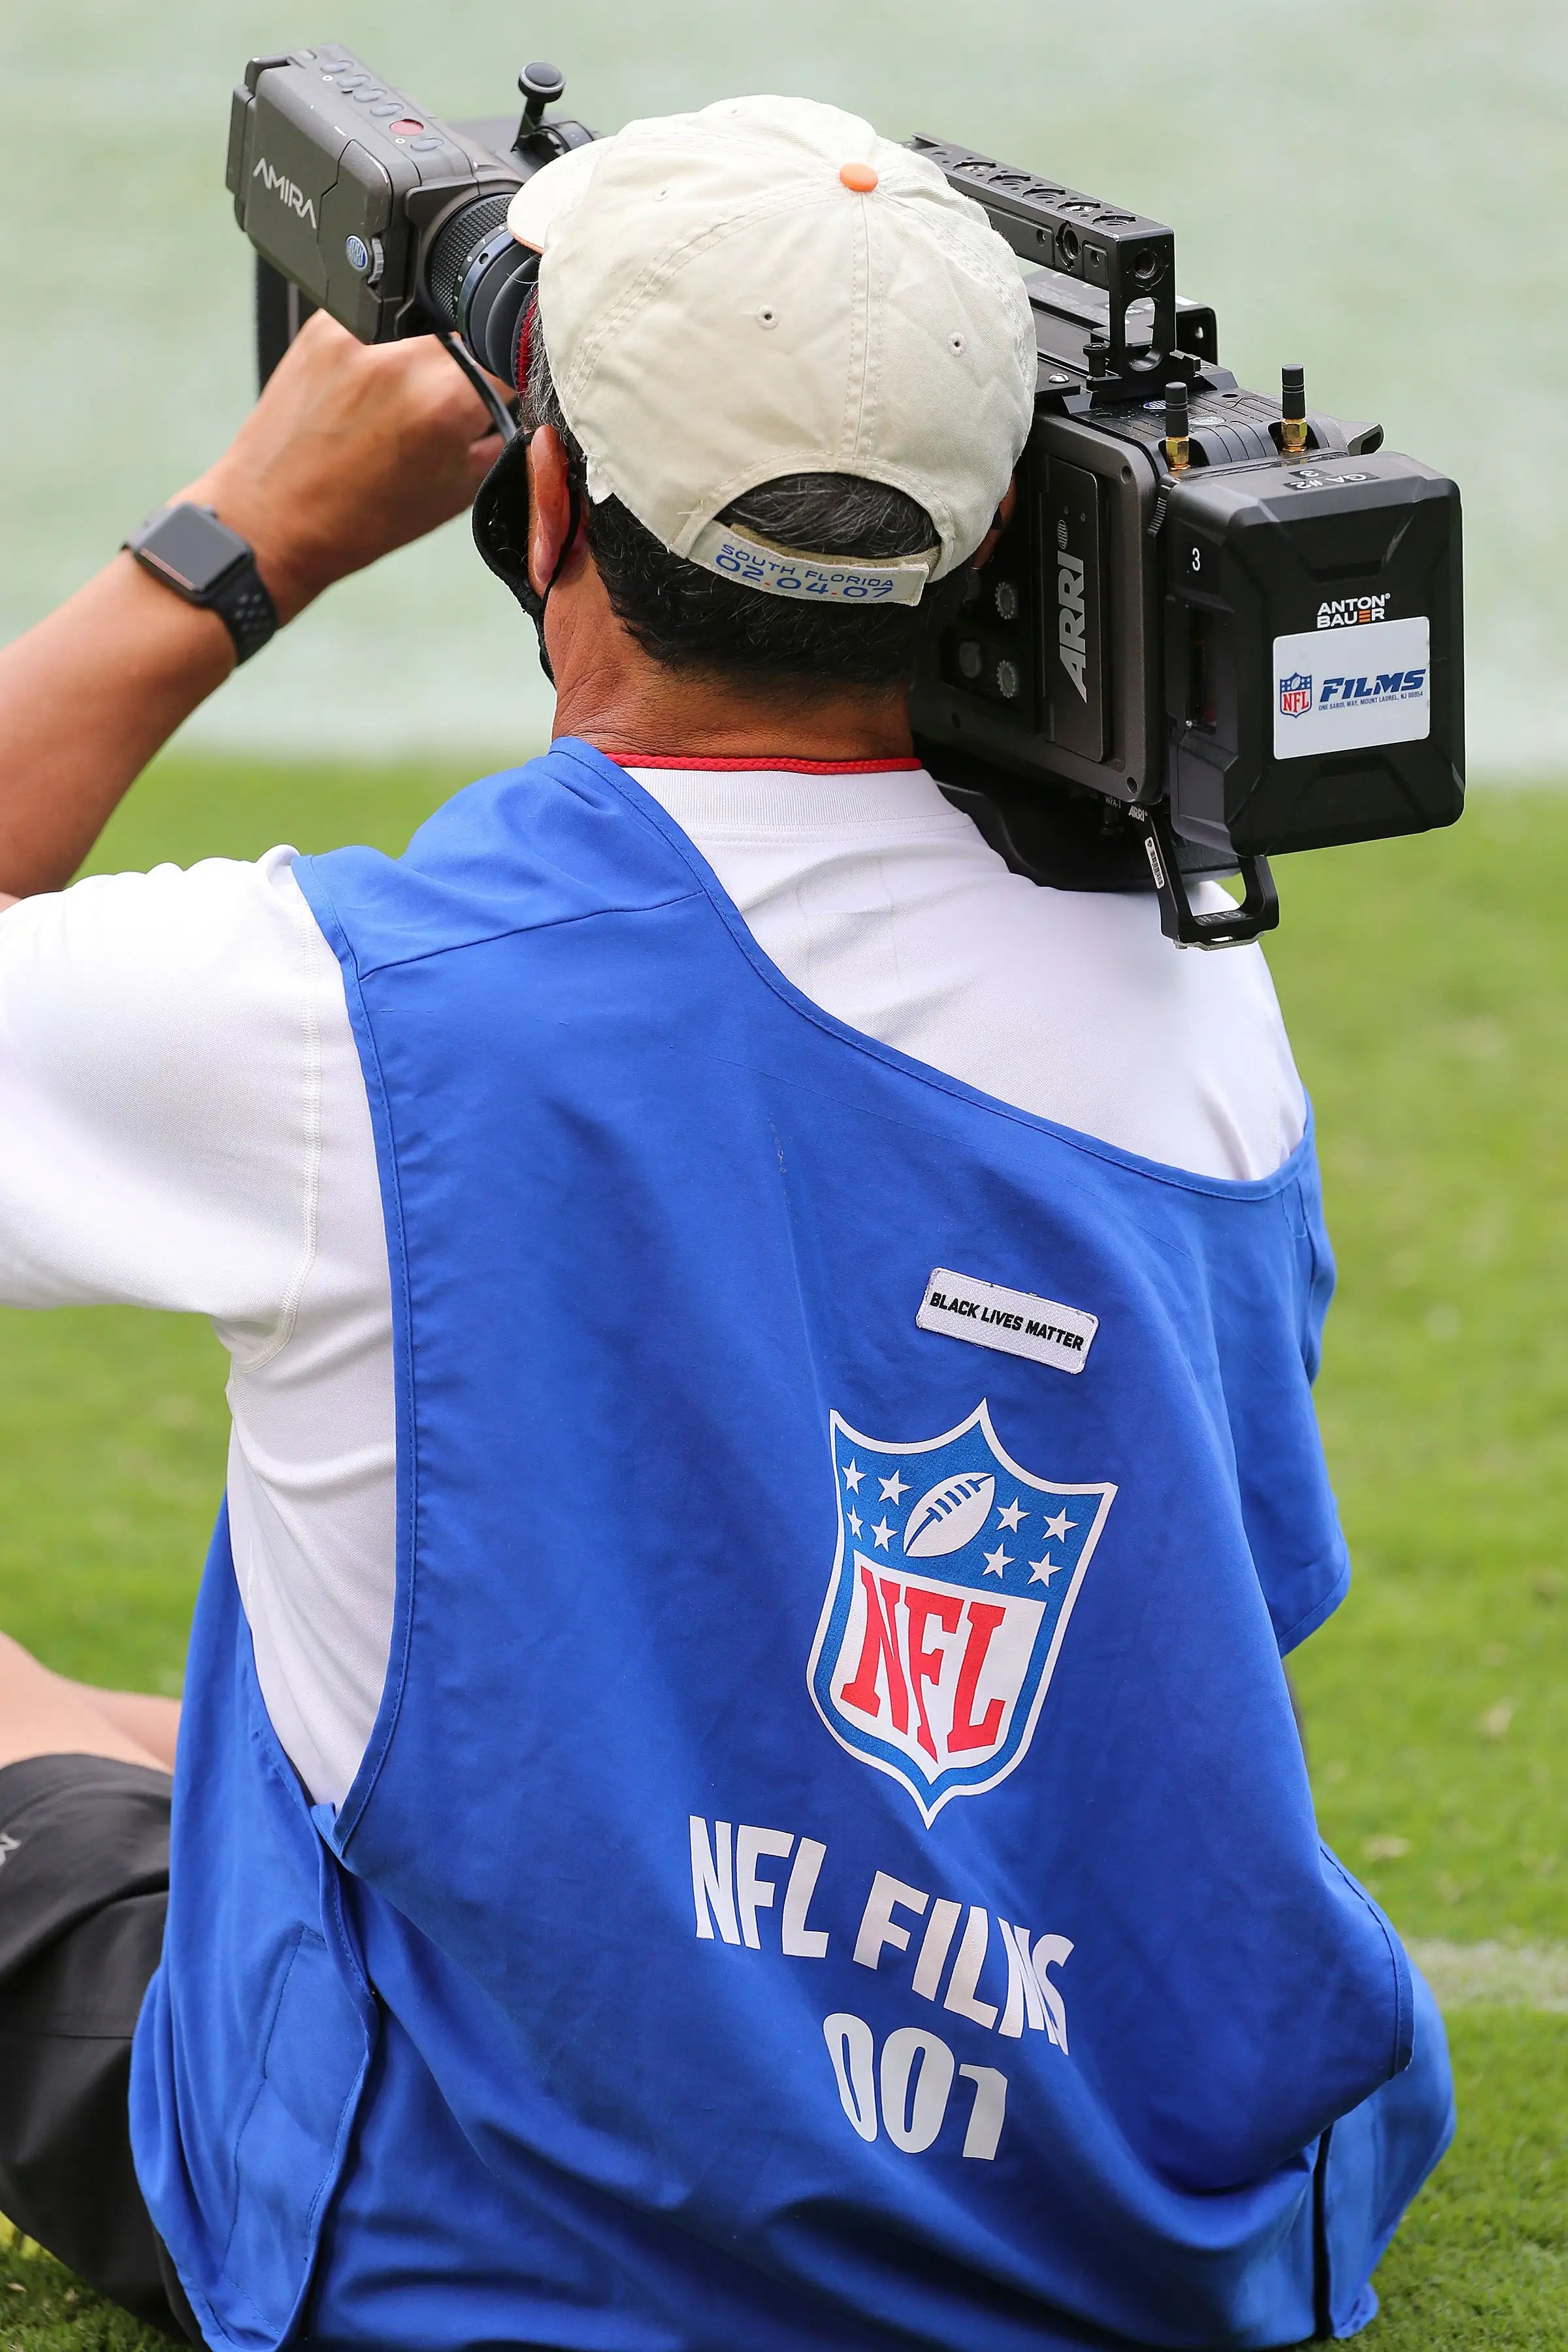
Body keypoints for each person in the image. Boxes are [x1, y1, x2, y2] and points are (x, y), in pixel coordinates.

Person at [0, 94, 1451, 2352]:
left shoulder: (338, 1016)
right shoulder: (1197, 984)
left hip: (513, 2247)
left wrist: (236, 545)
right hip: (1139, 2235)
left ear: (542, 499)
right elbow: (1228, 1594)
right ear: (1003, 537)